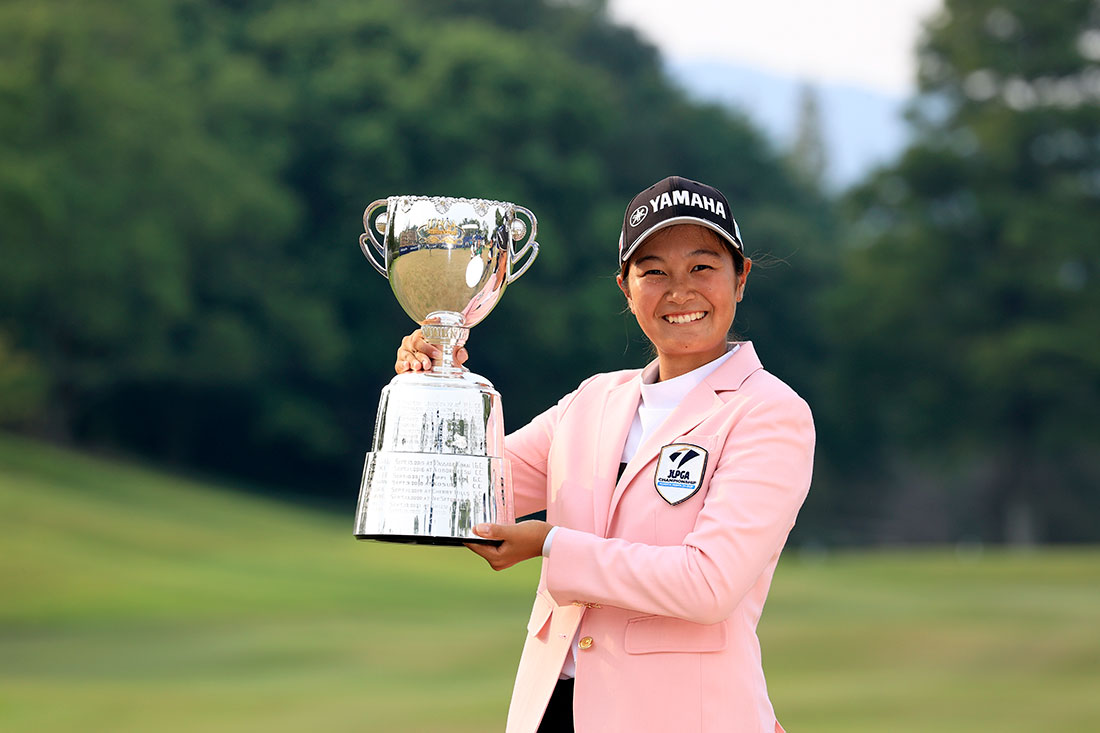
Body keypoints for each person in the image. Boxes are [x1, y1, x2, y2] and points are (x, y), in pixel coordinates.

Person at [396, 176, 815, 733]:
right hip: (552, 711)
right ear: (625, 287)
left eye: (702, 267)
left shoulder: (769, 411)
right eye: (654, 271)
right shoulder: (593, 400)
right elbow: (458, 494)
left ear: (741, 279)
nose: (679, 291)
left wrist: (551, 544)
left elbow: (707, 584)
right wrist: (435, 377)